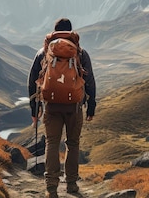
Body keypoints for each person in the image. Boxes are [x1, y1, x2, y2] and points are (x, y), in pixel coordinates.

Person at [28, 18, 96, 198]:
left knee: (51, 142)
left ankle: (51, 188)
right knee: (72, 144)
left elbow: (32, 80)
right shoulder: (80, 53)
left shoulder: (44, 52)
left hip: (51, 105)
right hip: (74, 106)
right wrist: (91, 106)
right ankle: (71, 185)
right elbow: (89, 80)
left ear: (55, 31)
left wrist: (34, 109)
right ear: (71, 32)